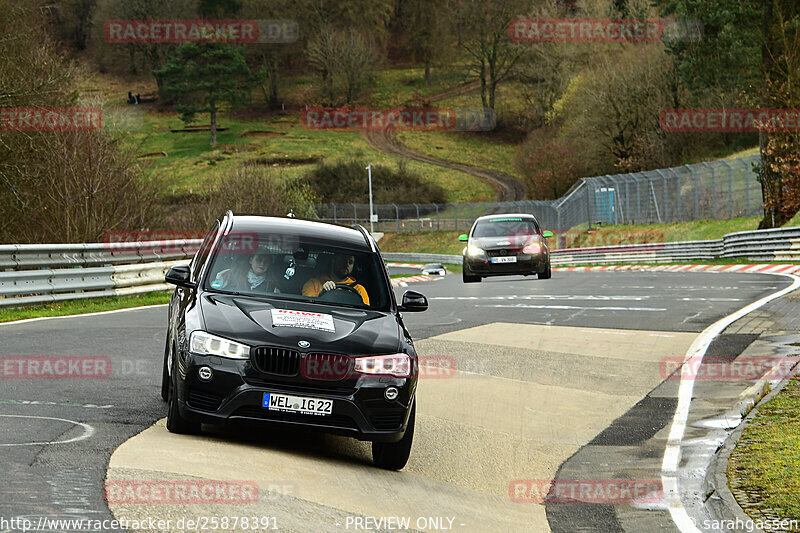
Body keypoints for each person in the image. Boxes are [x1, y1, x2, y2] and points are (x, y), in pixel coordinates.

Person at [302, 253, 369, 305]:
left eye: (350, 262)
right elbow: (308, 308)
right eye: (343, 261)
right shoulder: (313, 284)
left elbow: (365, 313)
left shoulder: (359, 290)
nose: (347, 264)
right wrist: (323, 292)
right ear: (333, 261)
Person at [211, 252, 280, 294]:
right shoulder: (230, 274)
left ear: (269, 264)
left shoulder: (273, 285)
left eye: (266, 261)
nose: (262, 264)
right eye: (258, 259)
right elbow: (214, 291)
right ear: (251, 260)